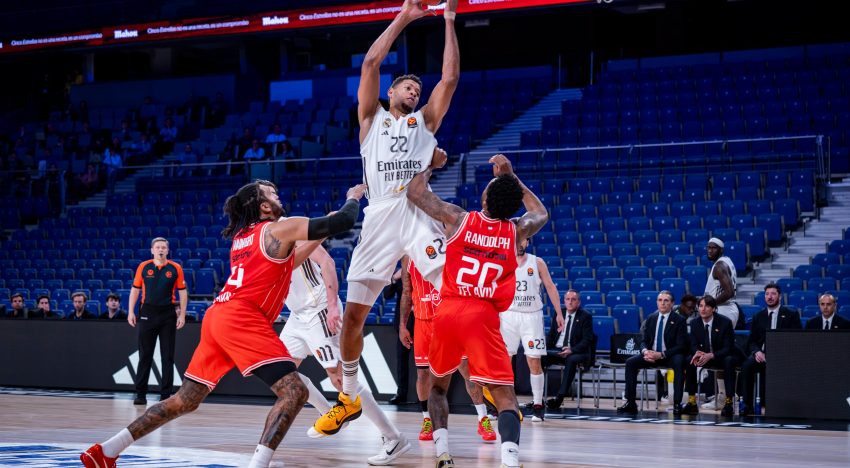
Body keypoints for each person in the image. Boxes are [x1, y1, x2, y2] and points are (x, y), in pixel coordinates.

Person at [81, 179, 366, 468]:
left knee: (185, 400)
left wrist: (319, 236)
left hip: (218, 315)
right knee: (295, 391)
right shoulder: (280, 228)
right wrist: (353, 197)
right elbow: (344, 220)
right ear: (264, 206)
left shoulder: (243, 237)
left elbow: (287, 264)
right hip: (243, 317)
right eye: (272, 193)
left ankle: (106, 450)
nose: (278, 195)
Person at [313, 0, 461, 449]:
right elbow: (371, 62)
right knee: (353, 317)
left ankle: (475, 381)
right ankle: (349, 395)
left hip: (416, 213)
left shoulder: (424, 121)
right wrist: (405, 16)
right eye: (408, 87)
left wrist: (449, 19)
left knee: (457, 295)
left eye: (417, 89)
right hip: (378, 217)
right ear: (390, 92)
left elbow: (449, 79)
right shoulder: (370, 119)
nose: (414, 92)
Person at [407, 153, 548, 468]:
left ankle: (443, 453)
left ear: (485, 199)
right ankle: (509, 460)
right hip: (482, 315)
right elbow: (540, 212)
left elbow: (415, 193)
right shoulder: (515, 231)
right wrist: (512, 177)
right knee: (505, 396)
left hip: (448, 310)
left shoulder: (459, 218)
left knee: (438, 386)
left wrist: (430, 165)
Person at [280, 241, 410, 464]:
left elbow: (327, 262)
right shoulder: (261, 237)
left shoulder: (290, 231)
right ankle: (331, 413)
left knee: (340, 378)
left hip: (318, 308)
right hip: (296, 314)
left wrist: (332, 306)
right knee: (282, 372)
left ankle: (394, 438)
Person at [399, 257, 497, 443]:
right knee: (423, 375)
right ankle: (427, 420)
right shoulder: (408, 257)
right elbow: (406, 292)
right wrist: (402, 325)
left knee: (467, 370)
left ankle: (483, 418)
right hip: (423, 322)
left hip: (449, 318)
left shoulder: (447, 249)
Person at [500, 235, 564, 421]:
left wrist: (559, 313)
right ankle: (503, 403)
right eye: (516, 240)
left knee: (534, 361)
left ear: (527, 242)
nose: (519, 243)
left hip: (531, 316)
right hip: (508, 315)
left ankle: (537, 404)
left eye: (523, 240)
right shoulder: (503, 260)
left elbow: (550, 287)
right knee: (504, 361)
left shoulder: (537, 262)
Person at [127, 237, 189, 405]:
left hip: (167, 314)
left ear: (167, 250)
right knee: (145, 355)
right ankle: (140, 394)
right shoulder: (143, 266)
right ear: (152, 250)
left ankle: (165, 396)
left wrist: (182, 315)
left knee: (167, 356)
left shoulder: (175, 268)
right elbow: (135, 290)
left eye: (163, 247)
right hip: (147, 312)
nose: (160, 249)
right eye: (157, 247)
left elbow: (183, 292)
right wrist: (131, 311)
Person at [617, 291, 688, 415]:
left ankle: (677, 404)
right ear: (657, 302)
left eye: (666, 300)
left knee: (679, 361)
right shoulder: (651, 318)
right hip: (651, 355)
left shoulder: (679, 320)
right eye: (660, 300)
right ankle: (631, 402)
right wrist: (645, 352)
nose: (662, 303)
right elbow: (643, 340)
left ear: (672, 304)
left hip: (669, 356)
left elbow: (681, 346)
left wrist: (661, 354)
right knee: (630, 362)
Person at [740, 283, 802, 416]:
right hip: (762, 355)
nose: (770, 297)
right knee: (747, 365)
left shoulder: (791, 315)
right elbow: (752, 341)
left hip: (783, 356)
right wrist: (757, 352)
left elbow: (796, 339)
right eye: (767, 294)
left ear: (780, 296)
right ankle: (747, 405)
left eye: (773, 294)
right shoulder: (758, 316)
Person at [684, 295, 738, 417]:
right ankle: (692, 402)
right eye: (701, 306)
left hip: (721, 356)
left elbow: (728, 348)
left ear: (713, 309)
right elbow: (693, 344)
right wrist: (697, 352)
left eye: (707, 306)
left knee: (729, 361)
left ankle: (728, 402)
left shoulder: (725, 322)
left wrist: (712, 355)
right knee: (689, 360)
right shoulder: (694, 323)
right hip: (705, 356)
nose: (703, 309)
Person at [544, 290, 593, 410]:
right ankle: (537, 397)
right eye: (567, 299)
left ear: (578, 302)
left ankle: (559, 398)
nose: (570, 302)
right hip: (558, 349)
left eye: (573, 299)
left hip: (576, 352)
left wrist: (571, 350)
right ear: (564, 301)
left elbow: (587, 340)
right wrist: (543, 348)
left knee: (571, 360)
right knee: (538, 357)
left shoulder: (585, 316)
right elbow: (551, 335)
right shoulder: (559, 313)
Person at [385, 266, 413, 405]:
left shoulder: (422, 271)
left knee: (425, 363)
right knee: (401, 360)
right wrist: (394, 278)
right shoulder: (401, 276)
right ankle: (401, 394)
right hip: (403, 325)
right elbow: (387, 295)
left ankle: (427, 396)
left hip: (422, 322)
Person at [704, 238, 739, 327]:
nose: (710, 251)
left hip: (723, 309)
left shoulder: (719, 266)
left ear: (721, 250)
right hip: (727, 308)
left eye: (714, 248)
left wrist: (710, 304)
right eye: (708, 247)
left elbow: (729, 292)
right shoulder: (727, 261)